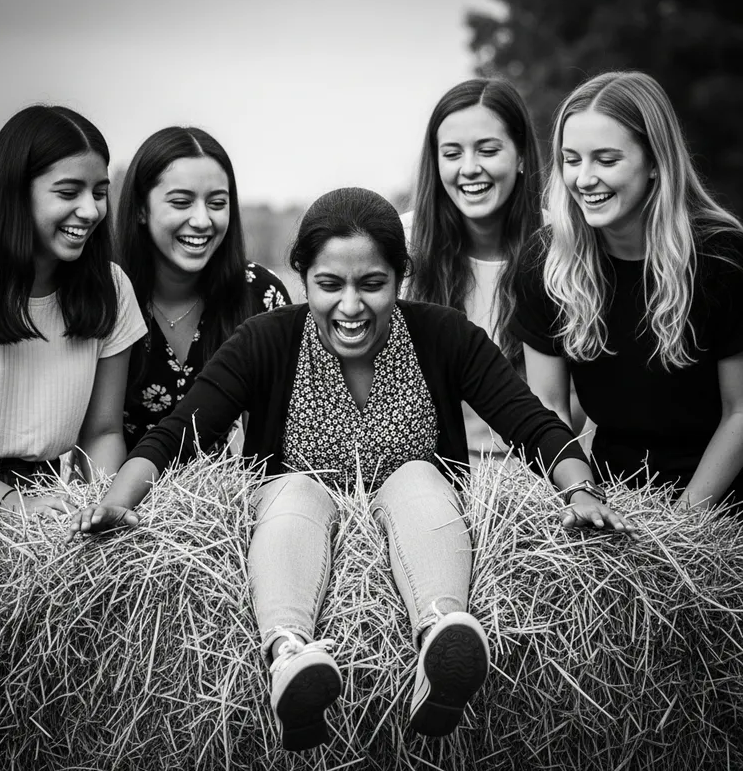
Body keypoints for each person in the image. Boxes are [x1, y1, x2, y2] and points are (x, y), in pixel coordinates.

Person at [67, 188, 637, 751]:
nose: (350, 306)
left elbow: (530, 422)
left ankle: (443, 635)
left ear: (400, 277)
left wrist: (579, 490)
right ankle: (290, 655)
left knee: (419, 477)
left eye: (372, 284)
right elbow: (177, 434)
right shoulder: (267, 341)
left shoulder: (442, 334)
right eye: (329, 285)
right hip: (298, 511)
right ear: (301, 279)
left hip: (418, 507)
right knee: (291, 490)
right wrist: (120, 499)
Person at [511, 71, 743, 512]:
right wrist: (580, 496)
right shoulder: (547, 262)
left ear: (655, 161)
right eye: (571, 159)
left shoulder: (723, 259)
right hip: (613, 496)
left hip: (721, 505)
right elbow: (548, 409)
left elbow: (740, 413)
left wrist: (683, 526)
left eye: (606, 159)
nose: (583, 178)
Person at [0, 105, 147, 578]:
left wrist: (93, 512)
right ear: (17, 193)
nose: (91, 210)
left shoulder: (111, 288)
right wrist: (13, 506)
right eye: (68, 192)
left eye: (99, 192)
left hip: (54, 503)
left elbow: (102, 432)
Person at [115, 127, 290, 452]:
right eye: (181, 202)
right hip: (119, 488)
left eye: (217, 203)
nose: (201, 219)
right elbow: (100, 432)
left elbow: (269, 433)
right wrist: (115, 501)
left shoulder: (260, 293)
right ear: (141, 208)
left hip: (219, 496)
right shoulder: (110, 293)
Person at [403, 79, 545, 465]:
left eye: (487, 150)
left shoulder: (562, 247)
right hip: (427, 471)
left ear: (520, 157)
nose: (469, 168)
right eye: (452, 153)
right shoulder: (401, 246)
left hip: (531, 472)